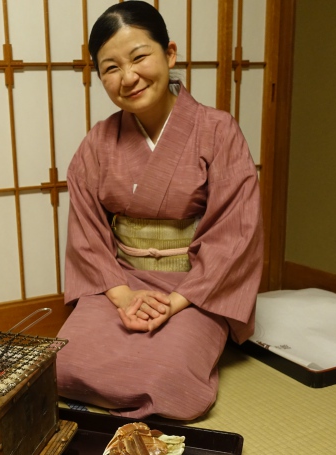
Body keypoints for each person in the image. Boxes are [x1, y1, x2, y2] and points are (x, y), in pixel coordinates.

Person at [56, 1, 263, 421]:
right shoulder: (97, 142)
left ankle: (187, 344)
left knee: (167, 382)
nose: (127, 77)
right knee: (62, 366)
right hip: (119, 280)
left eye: (139, 58)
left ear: (169, 54)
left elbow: (234, 233)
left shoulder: (218, 131)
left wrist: (174, 301)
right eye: (110, 68)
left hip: (195, 286)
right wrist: (123, 296)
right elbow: (88, 236)